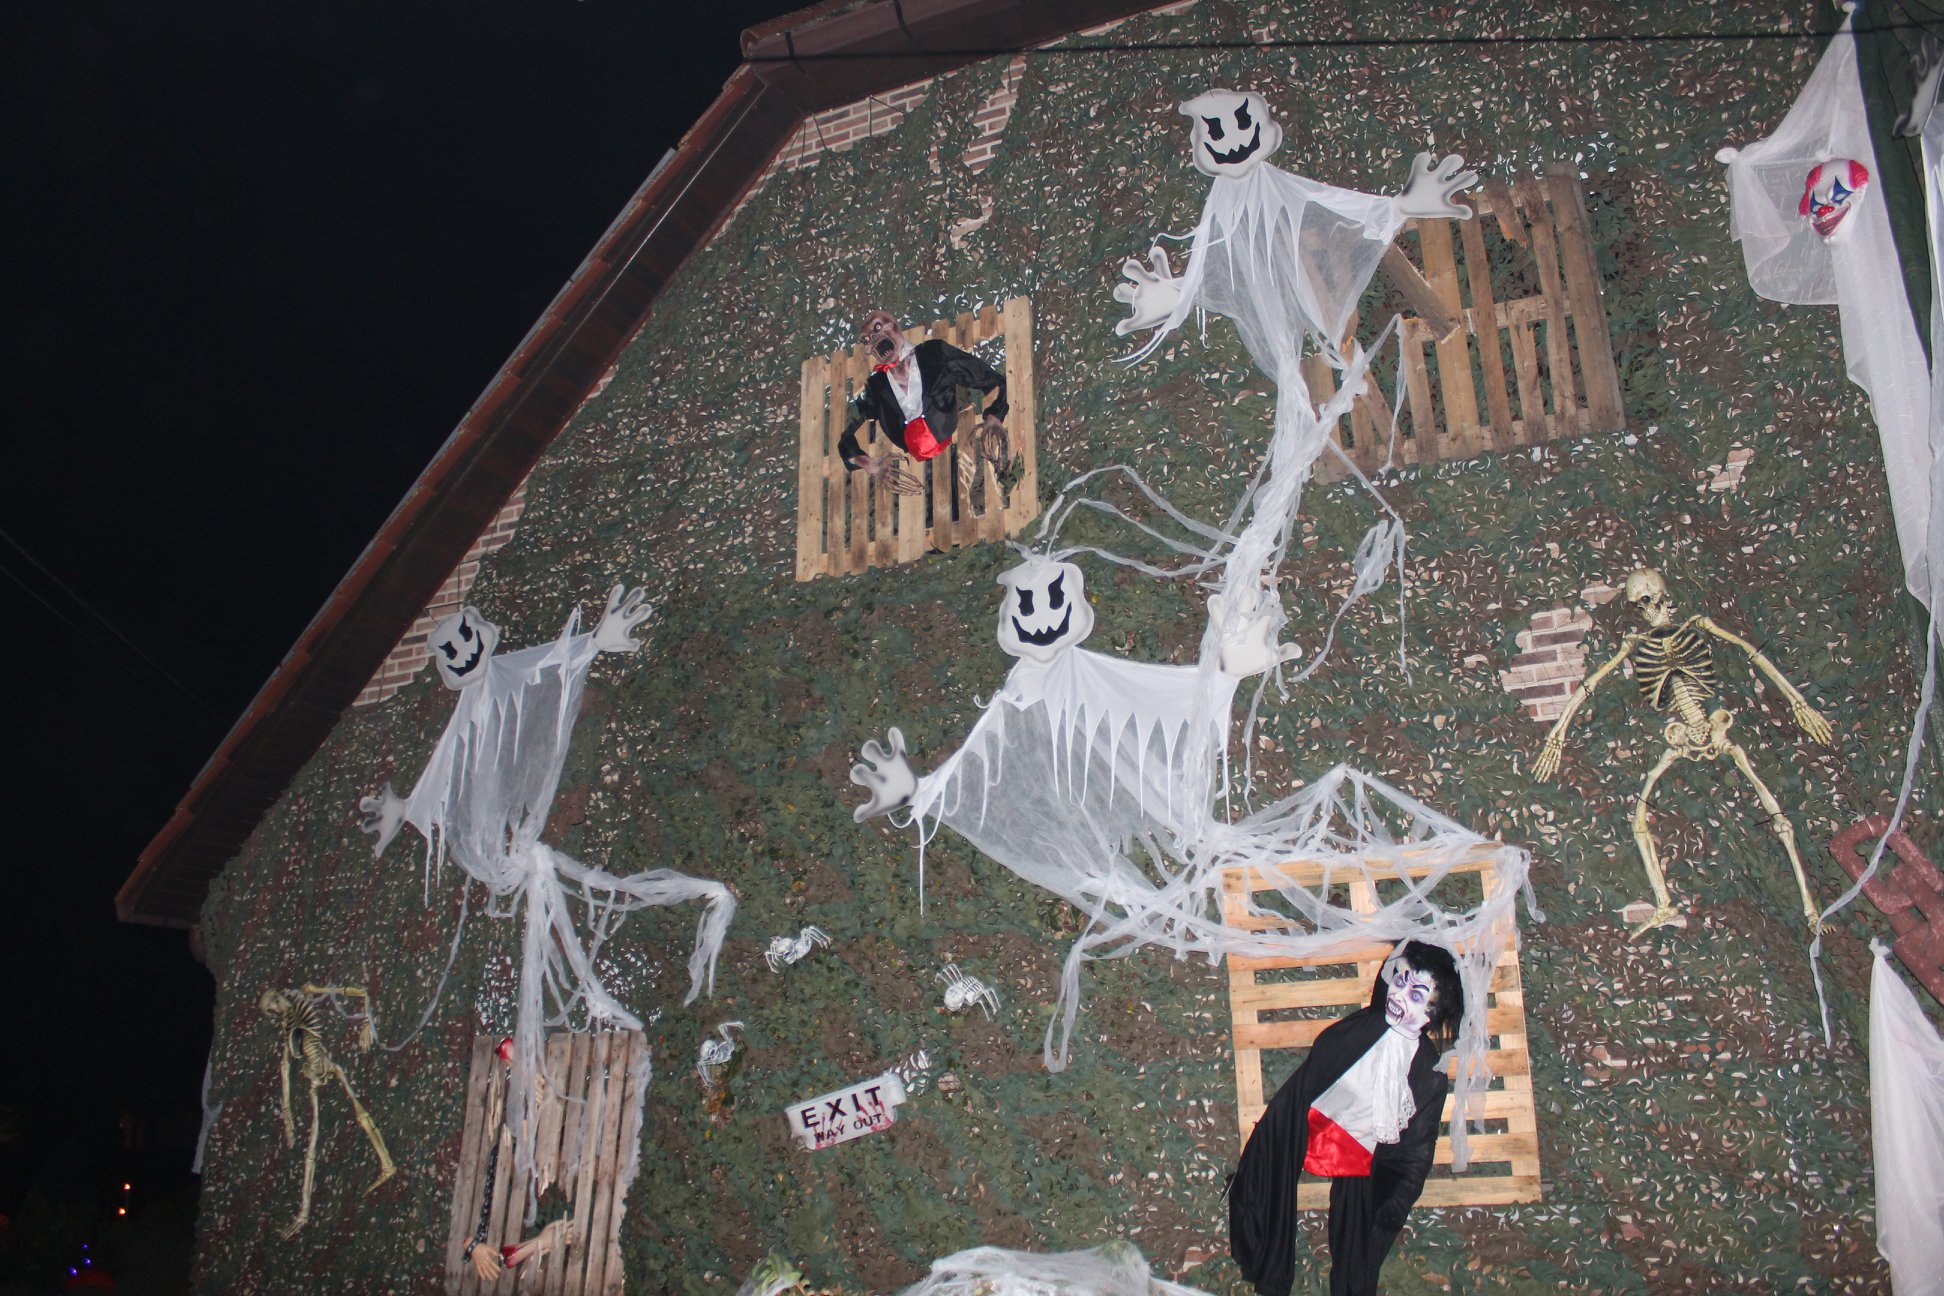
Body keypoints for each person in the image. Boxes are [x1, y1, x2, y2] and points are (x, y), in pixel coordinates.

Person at [1229, 940, 1465, 1296]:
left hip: (1363, 1158)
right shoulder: (1358, 1030)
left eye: (1416, 995)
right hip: (1309, 1126)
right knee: (1267, 1183)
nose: (1399, 995)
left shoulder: (1427, 1073)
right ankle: (1270, 1268)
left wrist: (1393, 1199)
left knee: (1357, 1241)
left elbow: (1415, 1150)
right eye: (1400, 981)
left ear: (1432, 1014)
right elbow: (1310, 1079)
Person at [836, 308, 1009, 494]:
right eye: (867, 340)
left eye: (878, 328)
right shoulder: (876, 386)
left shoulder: (934, 353)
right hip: (917, 474)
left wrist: (995, 416)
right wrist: (865, 462)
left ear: (894, 325)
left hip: (959, 452)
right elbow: (844, 435)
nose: (873, 339)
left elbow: (991, 379)